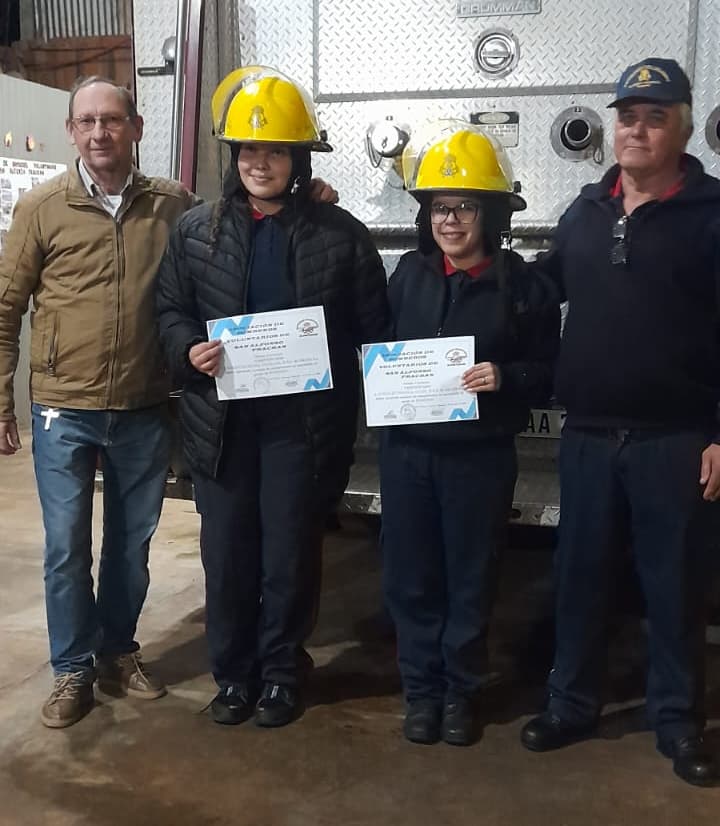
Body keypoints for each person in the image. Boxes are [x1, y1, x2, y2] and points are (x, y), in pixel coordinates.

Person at [155, 65, 389, 728]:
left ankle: (283, 673)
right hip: (222, 427)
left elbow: (375, 330)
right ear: (234, 157)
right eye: (250, 150)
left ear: (299, 157)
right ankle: (233, 677)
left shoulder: (340, 234)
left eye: (276, 150)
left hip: (301, 430)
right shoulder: (197, 232)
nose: (261, 162)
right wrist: (187, 349)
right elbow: (170, 309)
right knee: (228, 560)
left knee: (289, 557)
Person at [520, 58, 720, 786]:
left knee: (676, 586)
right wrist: (469, 249)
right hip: (590, 437)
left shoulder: (712, 214)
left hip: (678, 440)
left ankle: (677, 722)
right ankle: (570, 705)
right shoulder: (586, 211)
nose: (637, 128)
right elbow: (545, 287)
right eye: (627, 116)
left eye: (655, 115)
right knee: (579, 579)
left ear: (684, 125)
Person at [0, 76, 196, 727]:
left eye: (111, 120)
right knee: (65, 547)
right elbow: (6, 308)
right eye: (86, 122)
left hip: (144, 407)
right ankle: (71, 669)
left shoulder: (172, 206)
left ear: (136, 128)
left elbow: (231, 242)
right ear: (70, 132)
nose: (99, 133)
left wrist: (310, 194)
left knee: (129, 549)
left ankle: (117, 649)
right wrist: (2, 401)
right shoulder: (42, 207)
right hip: (63, 410)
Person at [380, 120, 559, 746]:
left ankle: (460, 693)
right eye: (438, 207)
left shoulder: (523, 289)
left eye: (463, 207)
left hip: (478, 460)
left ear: (490, 214)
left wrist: (505, 376)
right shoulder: (408, 277)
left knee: (470, 576)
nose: (449, 220)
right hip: (406, 456)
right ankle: (422, 693)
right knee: (411, 577)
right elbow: (374, 345)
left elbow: (549, 374)